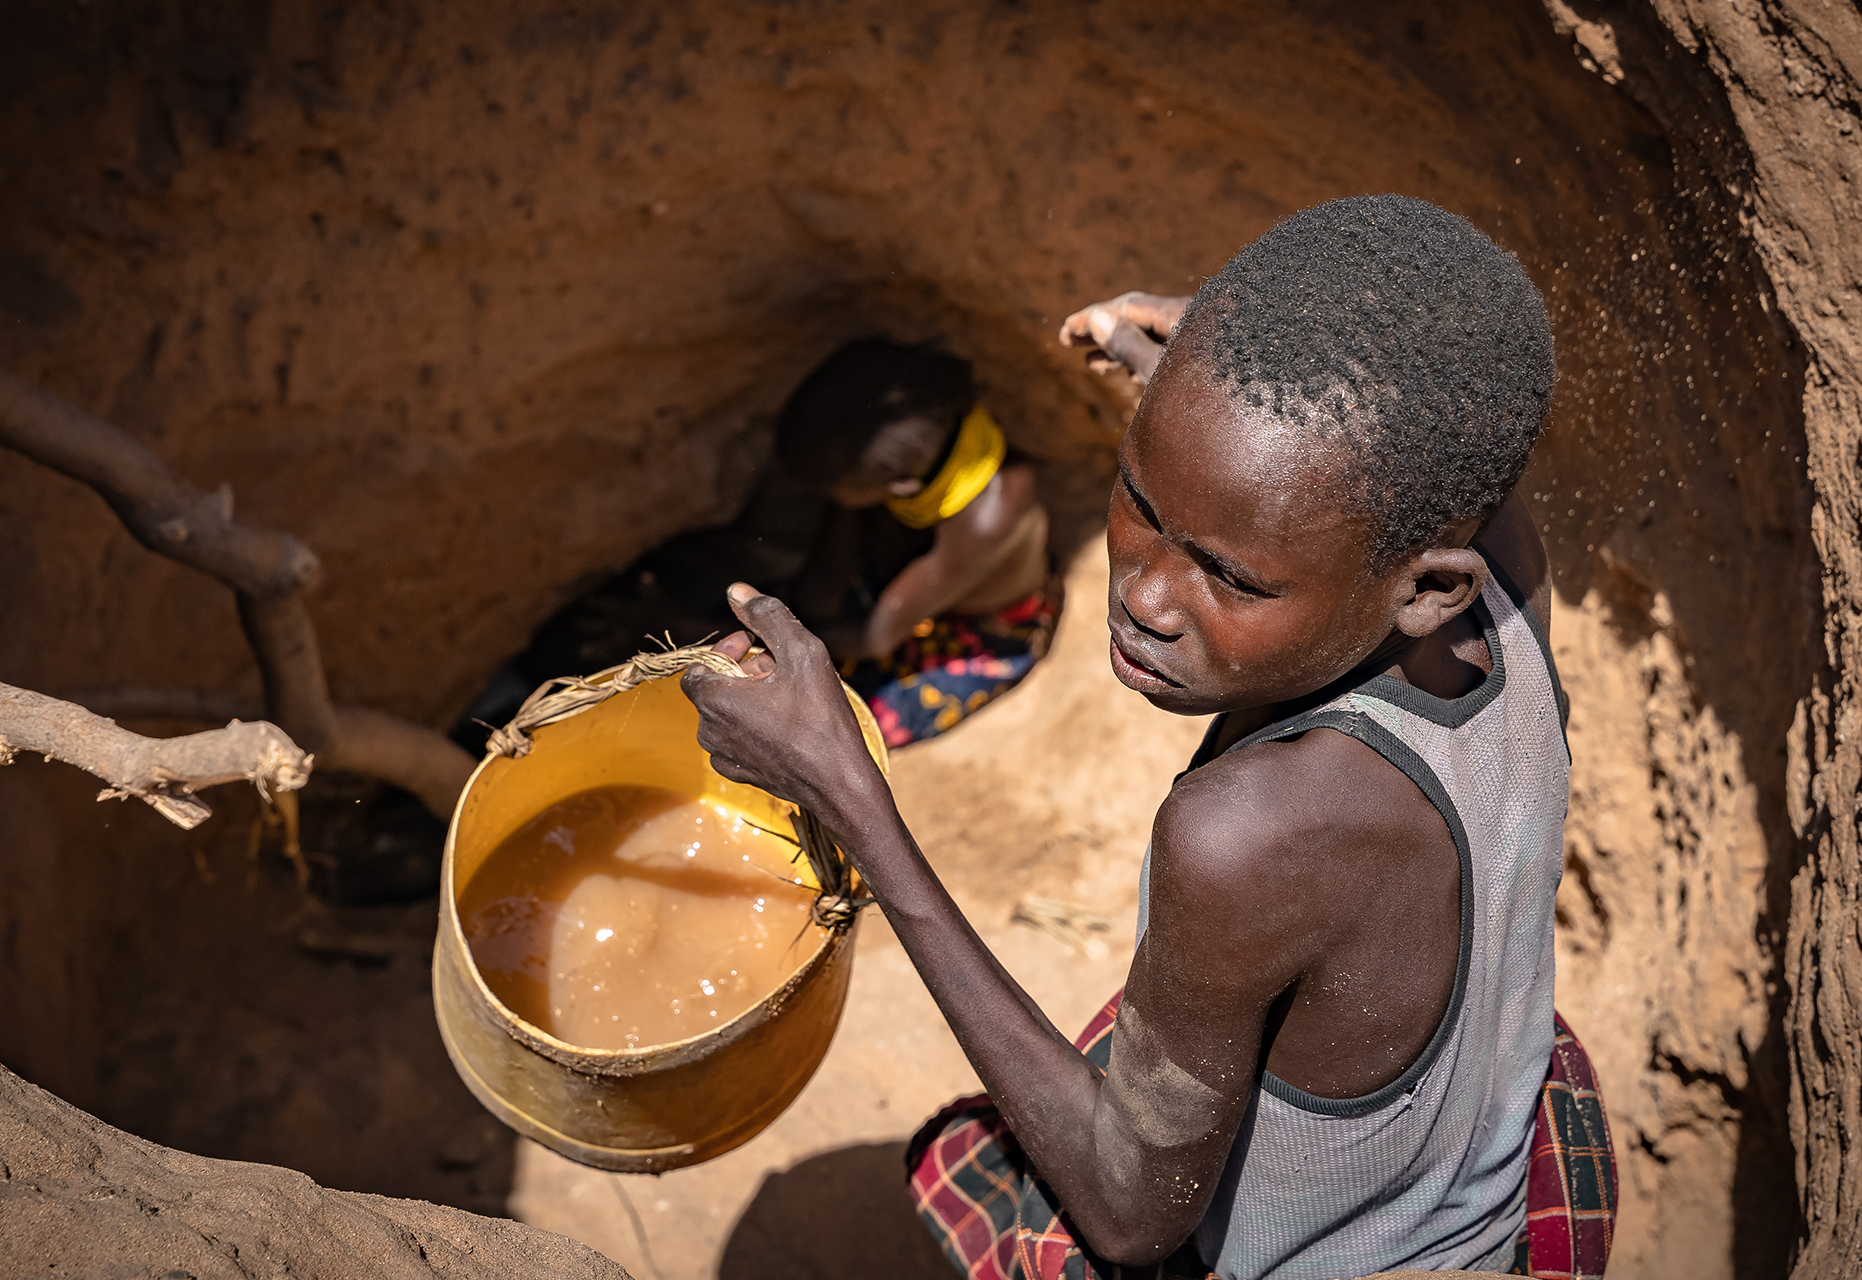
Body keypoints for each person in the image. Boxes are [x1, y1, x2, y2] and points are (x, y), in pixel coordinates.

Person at [681, 195, 1615, 1278]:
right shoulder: (1505, 561)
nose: (1145, 594)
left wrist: (853, 800)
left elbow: (1133, 1215)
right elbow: (1366, 473)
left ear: (1424, 591)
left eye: (1230, 573)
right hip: (1473, 1142)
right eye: (1138, 490)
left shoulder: (1251, 835)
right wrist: (1218, 380)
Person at [777, 339, 1057, 747]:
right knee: (794, 616)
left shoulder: (988, 520)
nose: (822, 498)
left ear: (900, 487)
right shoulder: (935, 426)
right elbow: (826, 578)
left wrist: (777, 642)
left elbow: (875, 639)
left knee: (839, 728)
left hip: (984, 630)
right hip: (929, 580)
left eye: (832, 492)